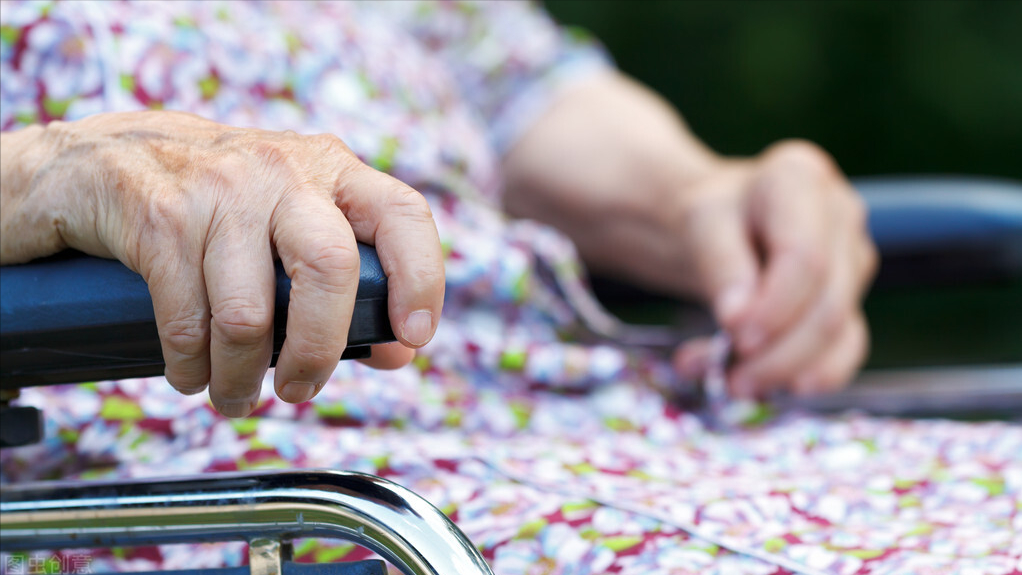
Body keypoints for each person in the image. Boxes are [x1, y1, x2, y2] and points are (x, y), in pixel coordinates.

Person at [4, 2, 1014, 574]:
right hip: (218, 479)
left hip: (597, 418)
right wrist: (51, 167)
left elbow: (514, 88)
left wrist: (707, 196)